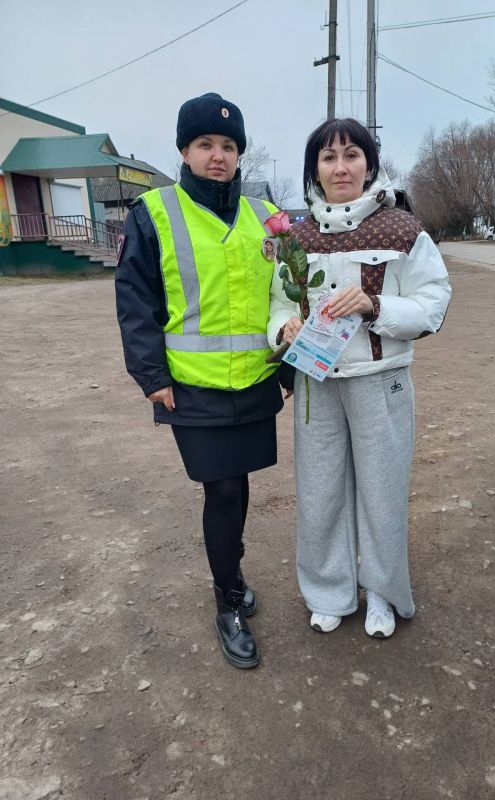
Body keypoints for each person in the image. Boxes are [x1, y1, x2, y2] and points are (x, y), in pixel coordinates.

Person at [116, 93, 283, 669]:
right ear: (184, 151)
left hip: (256, 381)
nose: (218, 156)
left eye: (229, 146)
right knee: (224, 490)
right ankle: (227, 599)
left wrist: (290, 362)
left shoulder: (266, 216)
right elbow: (135, 299)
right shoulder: (154, 213)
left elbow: (285, 298)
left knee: (241, 485)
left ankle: (232, 574)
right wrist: (151, 375)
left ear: (240, 154)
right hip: (192, 387)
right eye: (205, 144)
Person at [268, 118, 451, 638]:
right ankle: (329, 591)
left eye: (352, 154)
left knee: (381, 489)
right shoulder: (297, 237)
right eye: (328, 157)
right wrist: (284, 327)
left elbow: (433, 300)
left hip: (379, 378)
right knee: (319, 490)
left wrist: (376, 306)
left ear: (369, 164)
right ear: (315, 170)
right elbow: (278, 302)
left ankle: (382, 594)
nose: (341, 166)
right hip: (316, 381)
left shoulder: (402, 230)